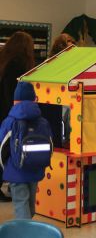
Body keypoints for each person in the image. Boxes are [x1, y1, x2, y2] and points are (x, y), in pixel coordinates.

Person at [0, 82, 47, 219]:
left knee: (21, 204)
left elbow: (2, 148)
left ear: (15, 101)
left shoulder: (9, 122)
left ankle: (25, 231)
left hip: (15, 171)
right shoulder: (42, 122)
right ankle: (29, 229)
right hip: (35, 170)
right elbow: (49, 145)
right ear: (34, 99)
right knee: (30, 206)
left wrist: (5, 167)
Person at [0, 31, 35, 202]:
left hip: (3, 115)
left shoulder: (3, 61)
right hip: (8, 115)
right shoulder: (19, 65)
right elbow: (12, 95)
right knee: (10, 151)